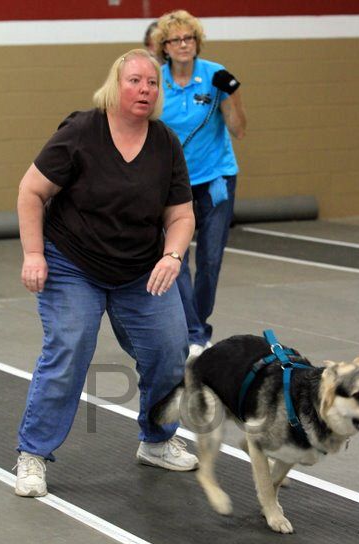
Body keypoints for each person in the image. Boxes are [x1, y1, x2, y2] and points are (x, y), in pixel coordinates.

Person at [15, 49, 198, 498]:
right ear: (116, 86)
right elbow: (31, 191)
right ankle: (32, 455)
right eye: (135, 81)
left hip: (139, 269)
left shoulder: (165, 142)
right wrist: (33, 254)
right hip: (71, 262)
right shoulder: (82, 131)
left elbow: (181, 215)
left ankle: (156, 441)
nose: (145, 90)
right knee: (71, 347)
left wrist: (172, 257)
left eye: (152, 84)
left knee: (170, 349)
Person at [153, 10, 246, 357]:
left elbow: (238, 129)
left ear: (196, 43)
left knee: (210, 260)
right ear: (165, 46)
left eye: (188, 38)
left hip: (216, 179)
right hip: (172, 185)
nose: (183, 45)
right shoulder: (156, 80)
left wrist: (232, 94)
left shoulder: (214, 75)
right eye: (175, 39)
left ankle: (197, 324)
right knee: (176, 258)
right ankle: (193, 331)